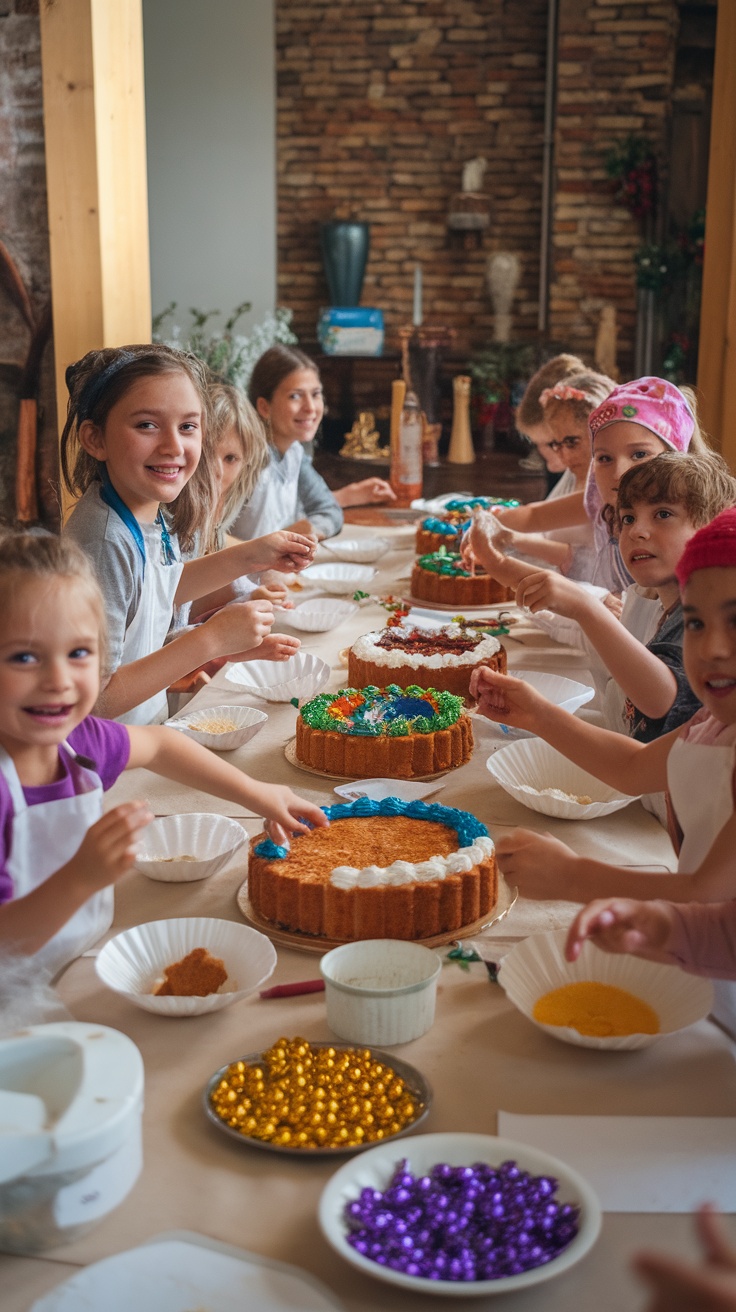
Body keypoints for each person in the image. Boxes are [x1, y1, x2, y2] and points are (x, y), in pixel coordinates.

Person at [0, 531, 327, 977]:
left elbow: (160, 744)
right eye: (24, 658)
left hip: (76, 965)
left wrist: (259, 793)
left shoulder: (78, 742)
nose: (58, 680)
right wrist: (79, 878)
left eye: (78, 652)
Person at [468, 505, 736, 907]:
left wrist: (574, 878)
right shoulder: (713, 724)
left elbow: (707, 896)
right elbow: (632, 768)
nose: (712, 648)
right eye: (696, 624)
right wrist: (536, 713)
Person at [62, 344, 315, 725]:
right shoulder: (104, 540)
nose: (173, 446)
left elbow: (159, 594)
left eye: (187, 427)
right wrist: (210, 639)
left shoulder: (145, 514)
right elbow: (94, 701)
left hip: (143, 736)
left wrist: (251, 556)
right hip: (108, 754)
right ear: (95, 439)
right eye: (147, 425)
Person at [467, 376, 709, 598]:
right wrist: (483, 528)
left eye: (639, 454)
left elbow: (644, 620)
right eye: (604, 458)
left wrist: (500, 561)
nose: (619, 473)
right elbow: (536, 516)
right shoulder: (605, 502)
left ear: (675, 458)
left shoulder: (686, 529)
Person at [230, 344, 395, 543]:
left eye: (316, 394)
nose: (311, 408)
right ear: (264, 407)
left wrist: (308, 531)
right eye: (295, 396)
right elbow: (211, 538)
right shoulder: (241, 460)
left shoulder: (293, 453)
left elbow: (328, 509)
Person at [491, 371, 612, 579]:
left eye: (572, 442)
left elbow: (535, 517)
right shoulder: (575, 473)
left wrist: (487, 522)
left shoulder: (605, 488)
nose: (564, 455)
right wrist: (507, 536)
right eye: (556, 443)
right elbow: (568, 552)